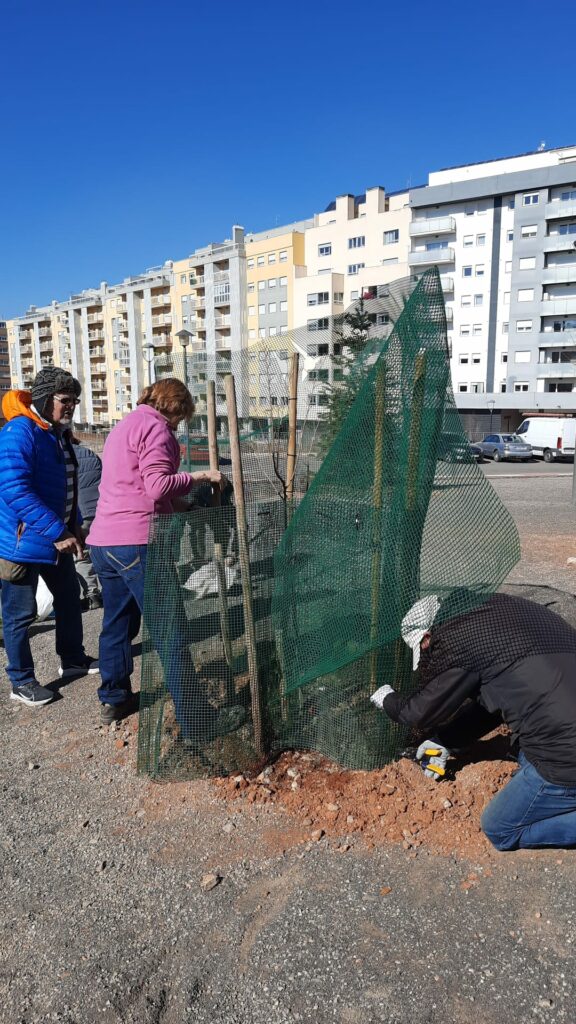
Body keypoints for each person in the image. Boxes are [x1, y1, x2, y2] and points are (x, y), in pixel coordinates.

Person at [371, 591, 576, 851]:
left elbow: (419, 712)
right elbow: (493, 703)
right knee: (527, 752)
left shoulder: (458, 642)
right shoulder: (493, 612)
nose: (425, 653)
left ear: (427, 636)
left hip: (567, 756)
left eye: (423, 647)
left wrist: (388, 699)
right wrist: (445, 739)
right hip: (566, 724)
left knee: (500, 828)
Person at [87, 378, 229, 727]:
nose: (180, 424)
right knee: (170, 627)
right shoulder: (158, 431)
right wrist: (200, 477)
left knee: (117, 623)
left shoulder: (123, 427)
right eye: (182, 416)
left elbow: (135, 486)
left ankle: (114, 699)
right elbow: (156, 486)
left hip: (104, 542)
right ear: (175, 406)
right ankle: (196, 721)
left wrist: (183, 507)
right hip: (137, 542)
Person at [0, 367, 98, 707]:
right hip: (21, 543)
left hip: (54, 538)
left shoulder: (55, 433)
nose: (71, 406)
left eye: (75, 400)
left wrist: (76, 527)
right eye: (64, 400)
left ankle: (72, 659)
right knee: (19, 614)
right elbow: (15, 490)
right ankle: (21, 680)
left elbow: (66, 487)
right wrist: (57, 530)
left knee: (69, 597)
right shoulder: (19, 432)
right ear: (43, 399)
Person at [70, 436, 103, 610]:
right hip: (100, 511)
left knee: (81, 555)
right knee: (102, 552)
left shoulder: (62, 456)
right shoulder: (90, 454)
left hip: (79, 515)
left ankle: (92, 594)